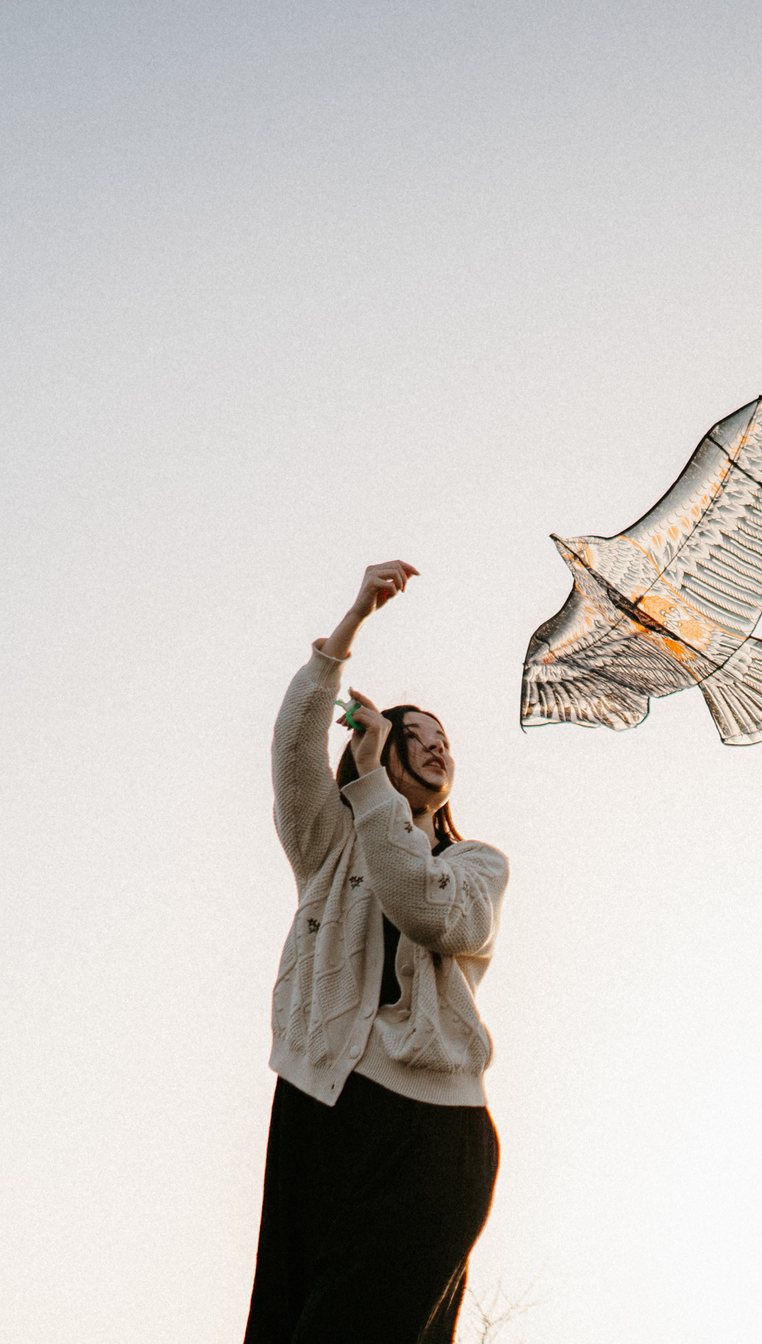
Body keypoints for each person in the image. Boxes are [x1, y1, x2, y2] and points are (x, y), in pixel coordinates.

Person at [243, 559, 509, 1344]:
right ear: (375, 753)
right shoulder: (328, 848)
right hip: (321, 1110)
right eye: (413, 738)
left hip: (439, 1138)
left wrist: (371, 788)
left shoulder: (475, 865)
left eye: (444, 742)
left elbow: (426, 911)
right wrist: (351, 624)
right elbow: (294, 752)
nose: (436, 749)